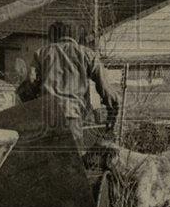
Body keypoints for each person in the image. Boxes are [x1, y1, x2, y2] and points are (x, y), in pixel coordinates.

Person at [25, 21, 121, 155]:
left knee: (45, 162)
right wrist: (112, 113)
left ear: (54, 36)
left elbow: (30, 81)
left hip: (46, 116)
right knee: (75, 162)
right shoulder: (87, 55)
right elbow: (107, 91)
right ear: (76, 37)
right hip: (72, 117)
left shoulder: (42, 53)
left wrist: (32, 104)